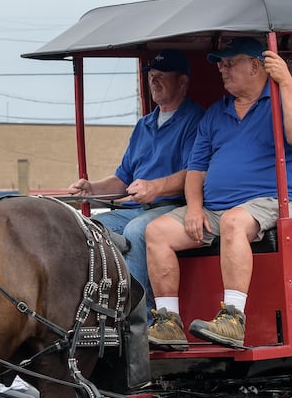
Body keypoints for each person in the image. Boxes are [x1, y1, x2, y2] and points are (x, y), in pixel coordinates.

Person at [145, 37, 292, 348]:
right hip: (216, 209)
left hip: (276, 202)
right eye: (220, 64)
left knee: (234, 222)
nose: (222, 69)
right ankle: (168, 322)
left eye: (229, 62)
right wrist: (194, 208)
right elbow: (196, 170)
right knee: (156, 231)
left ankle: (234, 319)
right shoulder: (215, 113)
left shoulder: (284, 100)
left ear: (256, 65)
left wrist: (286, 82)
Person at [67, 49, 204, 316]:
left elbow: (195, 173)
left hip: (176, 206)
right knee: (88, 227)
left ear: (183, 82)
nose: (154, 81)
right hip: (136, 209)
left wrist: (155, 188)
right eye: (152, 75)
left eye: (162, 76)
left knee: (138, 231)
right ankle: (93, 309)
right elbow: (123, 179)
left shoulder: (196, 120)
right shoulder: (144, 125)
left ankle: (137, 319)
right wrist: (92, 188)